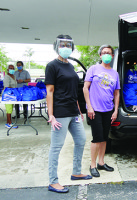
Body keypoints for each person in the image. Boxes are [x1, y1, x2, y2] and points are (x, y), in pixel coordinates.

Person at [45, 34, 92, 193]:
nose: (66, 47)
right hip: (60, 112)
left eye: (68, 45)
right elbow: (49, 92)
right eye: (62, 45)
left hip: (73, 111)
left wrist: (79, 110)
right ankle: (53, 181)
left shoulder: (71, 66)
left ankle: (76, 172)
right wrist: (51, 115)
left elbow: (73, 91)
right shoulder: (52, 66)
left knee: (81, 140)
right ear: (56, 46)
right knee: (56, 147)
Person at [83, 44, 120, 177]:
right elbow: (85, 88)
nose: (106, 55)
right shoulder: (93, 69)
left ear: (112, 55)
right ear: (100, 55)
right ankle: (92, 165)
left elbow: (116, 93)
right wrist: (89, 107)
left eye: (109, 53)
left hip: (108, 110)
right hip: (95, 110)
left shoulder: (115, 73)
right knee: (97, 138)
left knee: (105, 138)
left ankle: (101, 162)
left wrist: (115, 110)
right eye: (104, 52)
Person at [3, 65, 18, 129]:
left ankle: (9, 122)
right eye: (10, 68)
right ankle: (9, 123)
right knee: (8, 109)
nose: (12, 69)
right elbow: (6, 86)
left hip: (12, 95)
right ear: (8, 69)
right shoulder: (6, 77)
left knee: (11, 109)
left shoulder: (14, 76)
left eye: (13, 68)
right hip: (7, 95)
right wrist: (14, 89)